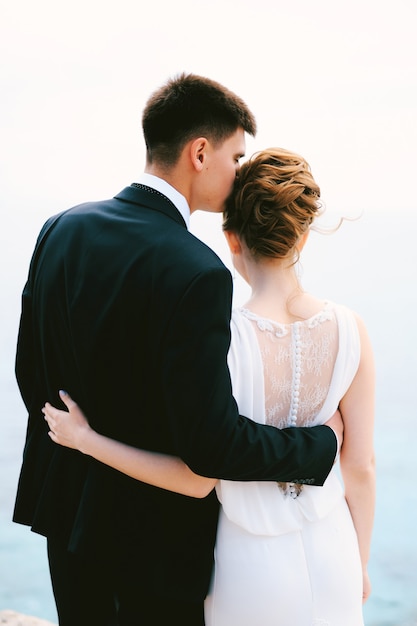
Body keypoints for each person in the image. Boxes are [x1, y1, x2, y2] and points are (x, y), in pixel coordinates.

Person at [14, 74, 342, 626]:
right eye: (237, 157)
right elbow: (211, 445)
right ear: (199, 152)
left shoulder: (60, 229)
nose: (240, 173)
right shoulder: (197, 271)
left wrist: (87, 443)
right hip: (153, 548)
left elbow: (30, 376)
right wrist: (317, 447)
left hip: (67, 521)